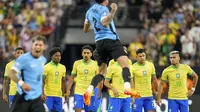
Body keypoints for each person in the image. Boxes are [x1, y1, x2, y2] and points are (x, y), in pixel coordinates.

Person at [83, 0, 136, 104]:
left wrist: (95, 26)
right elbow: (105, 22)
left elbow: (85, 29)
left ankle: (89, 89)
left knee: (101, 72)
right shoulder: (104, 9)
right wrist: (113, 11)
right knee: (126, 65)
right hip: (111, 40)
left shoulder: (89, 11)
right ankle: (127, 87)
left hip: (99, 42)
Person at [8, 35, 47, 112]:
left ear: (44, 47)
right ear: (32, 46)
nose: (38, 47)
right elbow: (11, 73)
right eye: (36, 44)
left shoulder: (43, 60)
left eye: (40, 45)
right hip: (23, 98)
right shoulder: (23, 59)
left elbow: (38, 78)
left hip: (37, 99)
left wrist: (42, 92)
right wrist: (22, 84)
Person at [67, 45, 98, 112]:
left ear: (91, 54)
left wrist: (98, 91)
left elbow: (98, 79)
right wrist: (68, 90)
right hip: (79, 92)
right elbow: (72, 78)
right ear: (82, 54)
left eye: (88, 53)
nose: (86, 55)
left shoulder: (95, 64)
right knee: (77, 109)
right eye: (84, 53)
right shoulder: (77, 63)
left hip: (90, 93)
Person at [42, 47, 67, 112]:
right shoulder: (46, 67)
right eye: (56, 55)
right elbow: (42, 81)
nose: (58, 57)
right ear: (51, 56)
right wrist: (43, 94)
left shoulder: (63, 67)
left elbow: (63, 81)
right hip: (48, 95)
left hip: (58, 95)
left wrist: (65, 93)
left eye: (59, 56)